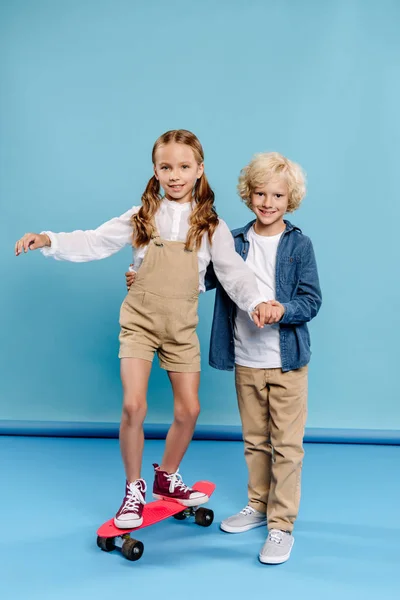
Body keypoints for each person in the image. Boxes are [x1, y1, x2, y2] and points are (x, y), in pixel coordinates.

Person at [15, 130, 271, 530]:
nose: (175, 175)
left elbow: (232, 273)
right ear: (155, 170)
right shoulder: (142, 216)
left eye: (184, 167)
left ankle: (166, 475)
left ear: (199, 170)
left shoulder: (211, 225)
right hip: (139, 323)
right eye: (166, 167)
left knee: (190, 411)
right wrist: (49, 238)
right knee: (134, 405)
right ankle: (133, 489)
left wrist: (257, 303)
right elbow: (96, 241)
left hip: (181, 328)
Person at [208, 152, 322, 564]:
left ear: (290, 199)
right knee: (255, 441)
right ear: (249, 194)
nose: (268, 202)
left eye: (277, 194)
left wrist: (282, 310)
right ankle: (258, 506)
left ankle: (281, 525)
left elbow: (311, 300)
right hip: (245, 358)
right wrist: (146, 271)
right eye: (260, 193)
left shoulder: (299, 244)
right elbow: (202, 276)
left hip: (287, 361)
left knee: (287, 446)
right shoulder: (234, 241)